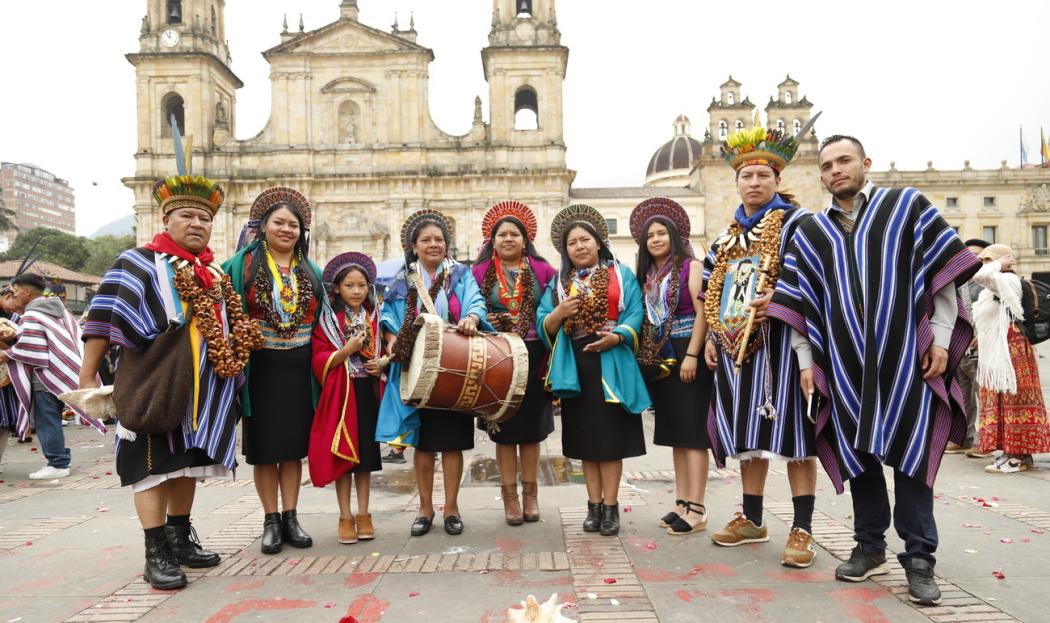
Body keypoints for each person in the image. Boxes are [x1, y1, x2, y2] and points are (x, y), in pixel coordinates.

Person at [768, 135, 981, 606]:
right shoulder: (810, 232)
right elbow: (800, 305)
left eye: (844, 160)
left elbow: (941, 274)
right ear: (820, 175)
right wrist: (807, 363)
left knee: (912, 457)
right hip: (842, 365)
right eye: (826, 165)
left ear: (865, 163)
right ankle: (869, 546)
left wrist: (942, 341)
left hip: (908, 359)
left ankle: (920, 559)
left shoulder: (905, 206)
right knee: (858, 456)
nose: (835, 170)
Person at [81, 173, 261, 589]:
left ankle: (180, 538)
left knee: (186, 465)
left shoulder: (213, 272)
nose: (197, 223)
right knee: (150, 467)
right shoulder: (138, 262)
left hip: (205, 393)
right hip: (154, 387)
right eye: (186, 215)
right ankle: (155, 550)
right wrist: (87, 373)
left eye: (204, 217)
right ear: (166, 219)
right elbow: (103, 319)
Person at [701, 122, 818, 568]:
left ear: (777, 181)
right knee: (751, 438)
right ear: (736, 182)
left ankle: (802, 527)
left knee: (795, 437)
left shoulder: (800, 224)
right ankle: (752, 519)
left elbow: (817, 278)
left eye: (763, 176)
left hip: (787, 348)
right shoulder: (726, 238)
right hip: (738, 351)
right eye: (746, 176)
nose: (754, 183)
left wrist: (784, 300)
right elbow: (712, 289)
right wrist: (713, 336)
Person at [537, 204, 651, 537]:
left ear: (598, 242)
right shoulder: (560, 283)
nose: (579, 247)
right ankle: (593, 506)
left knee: (612, 441)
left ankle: (612, 507)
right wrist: (559, 312)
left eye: (585, 239)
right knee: (586, 441)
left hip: (612, 360)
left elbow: (635, 312)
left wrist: (617, 335)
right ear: (565, 250)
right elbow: (544, 321)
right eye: (572, 243)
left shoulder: (620, 273)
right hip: (576, 364)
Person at [224, 187, 324, 555]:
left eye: (293, 225)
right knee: (265, 450)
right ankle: (270, 519)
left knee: (293, 449)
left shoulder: (311, 270)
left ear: (302, 232)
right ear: (262, 226)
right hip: (261, 369)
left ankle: (291, 517)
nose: (286, 230)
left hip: (299, 369)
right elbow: (224, 314)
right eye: (279, 223)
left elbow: (323, 322)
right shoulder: (239, 266)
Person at [378, 209, 490, 537]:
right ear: (414, 246)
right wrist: (391, 339)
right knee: (424, 445)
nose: (433, 244)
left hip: (455, 368)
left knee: (452, 444)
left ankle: (451, 507)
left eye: (439, 239)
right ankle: (425, 507)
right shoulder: (403, 281)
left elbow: (476, 302)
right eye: (426, 240)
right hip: (418, 369)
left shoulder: (460, 275)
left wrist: (471, 317)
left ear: (447, 244)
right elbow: (388, 317)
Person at [629, 197, 712, 535]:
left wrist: (692, 354)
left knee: (694, 434)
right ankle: (682, 500)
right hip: (661, 354)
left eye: (662, 233)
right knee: (677, 434)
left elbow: (702, 312)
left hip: (685, 349)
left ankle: (698, 506)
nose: (656, 240)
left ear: (674, 236)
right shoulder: (648, 276)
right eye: (651, 236)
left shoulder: (690, 267)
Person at [472, 201, 557, 526]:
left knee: (533, 432)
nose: (508, 239)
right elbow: (471, 306)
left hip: (534, 355)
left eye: (514, 234)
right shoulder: (478, 273)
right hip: (496, 359)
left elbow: (552, 307)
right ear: (492, 241)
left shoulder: (543, 270)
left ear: (525, 239)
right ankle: (509, 498)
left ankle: (531, 495)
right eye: (502, 234)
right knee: (503, 431)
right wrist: (486, 320)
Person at [309, 252, 386, 544]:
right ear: (338, 288)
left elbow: (386, 348)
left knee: (366, 458)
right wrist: (346, 350)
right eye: (350, 286)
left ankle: (364, 513)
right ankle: (345, 515)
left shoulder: (374, 316)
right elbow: (318, 358)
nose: (357, 291)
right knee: (345, 456)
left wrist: (380, 362)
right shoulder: (329, 320)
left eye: (362, 285)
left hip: (367, 391)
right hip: (343, 393)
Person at [1, 273, 106, 480]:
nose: (14, 295)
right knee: (51, 420)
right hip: (63, 369)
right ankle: (59, 460)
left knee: (46, 421)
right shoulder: (58, 309)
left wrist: (6, 354)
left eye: (15, 291)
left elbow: (32, 349)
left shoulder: (33, 314)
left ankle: (57, 462)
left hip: (46, 375)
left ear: (26, 291)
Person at [971, 244, 1050, 473]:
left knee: (1014, 401)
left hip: (1011, 350)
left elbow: (978, 275)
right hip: (999, 350)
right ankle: (1011, 453)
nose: (983, 263)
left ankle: (1018, 455)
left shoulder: (1007, 280)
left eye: (987, 259)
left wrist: (998, 265)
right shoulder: (993, 286)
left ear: (1001, 261)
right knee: (1002, 400)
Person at [951, 239, 991, 457]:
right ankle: (963, 438)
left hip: (981, 349)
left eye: (979, 255)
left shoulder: (988, 282)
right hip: (960, 349)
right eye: (969, 254)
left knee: (983, 396)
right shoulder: (959, 282)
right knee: (963, 397)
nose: (973, 259)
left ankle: (982, 440)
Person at [0, 286, 21, 471]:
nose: (16, 309)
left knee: (5, 419)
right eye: (15, 304)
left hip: (5, 376)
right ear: (8, 296)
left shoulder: (15, 320)